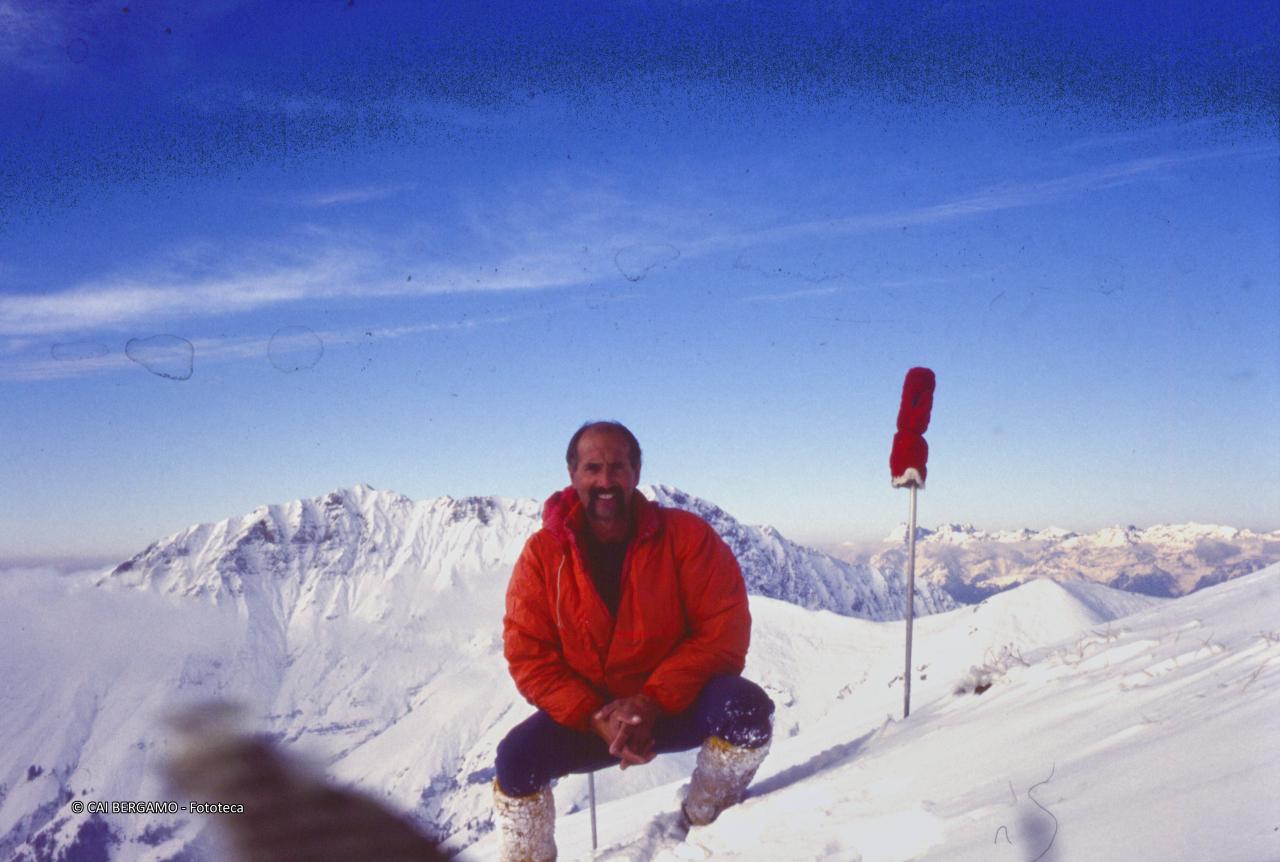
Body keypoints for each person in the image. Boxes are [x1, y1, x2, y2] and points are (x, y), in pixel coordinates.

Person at [495, 421, 774, 861]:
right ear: (572, 474)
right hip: (592, 720)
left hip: (671, 706)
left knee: (747, 711)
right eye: (592, 468)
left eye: (617, 467)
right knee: (515, 760)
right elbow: (528, 654)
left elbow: (723, 632)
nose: (605, 481)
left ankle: (706, 821)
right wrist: (593, 715)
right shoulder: (543, 556)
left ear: (636, 472)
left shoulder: (686, 537)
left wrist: (650, 701)